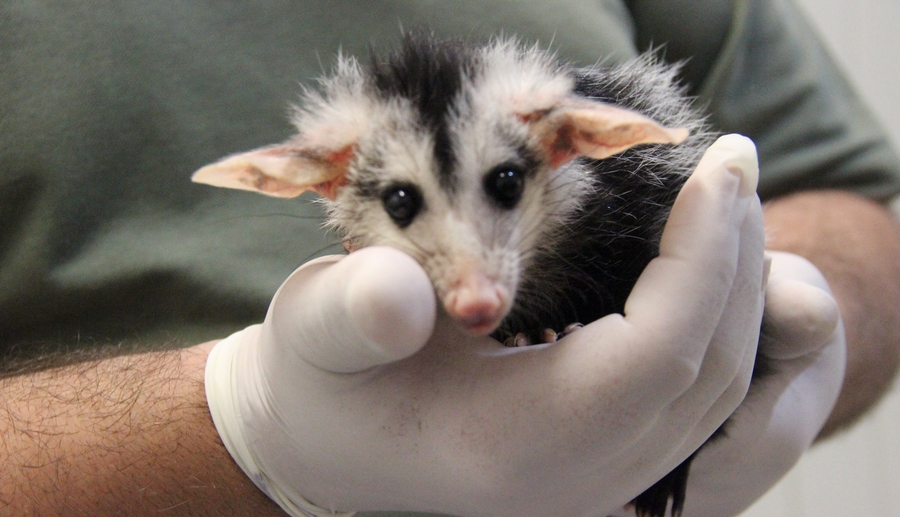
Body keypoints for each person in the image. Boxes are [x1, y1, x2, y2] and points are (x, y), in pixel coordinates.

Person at [1, 0, 898, 515]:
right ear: (325, 180)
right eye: (402, 204)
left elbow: (857, 196)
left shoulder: (587, 151)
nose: (475, 287)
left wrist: (760, 332)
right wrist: (242, 431)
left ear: (569, 143)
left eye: (507, 185)